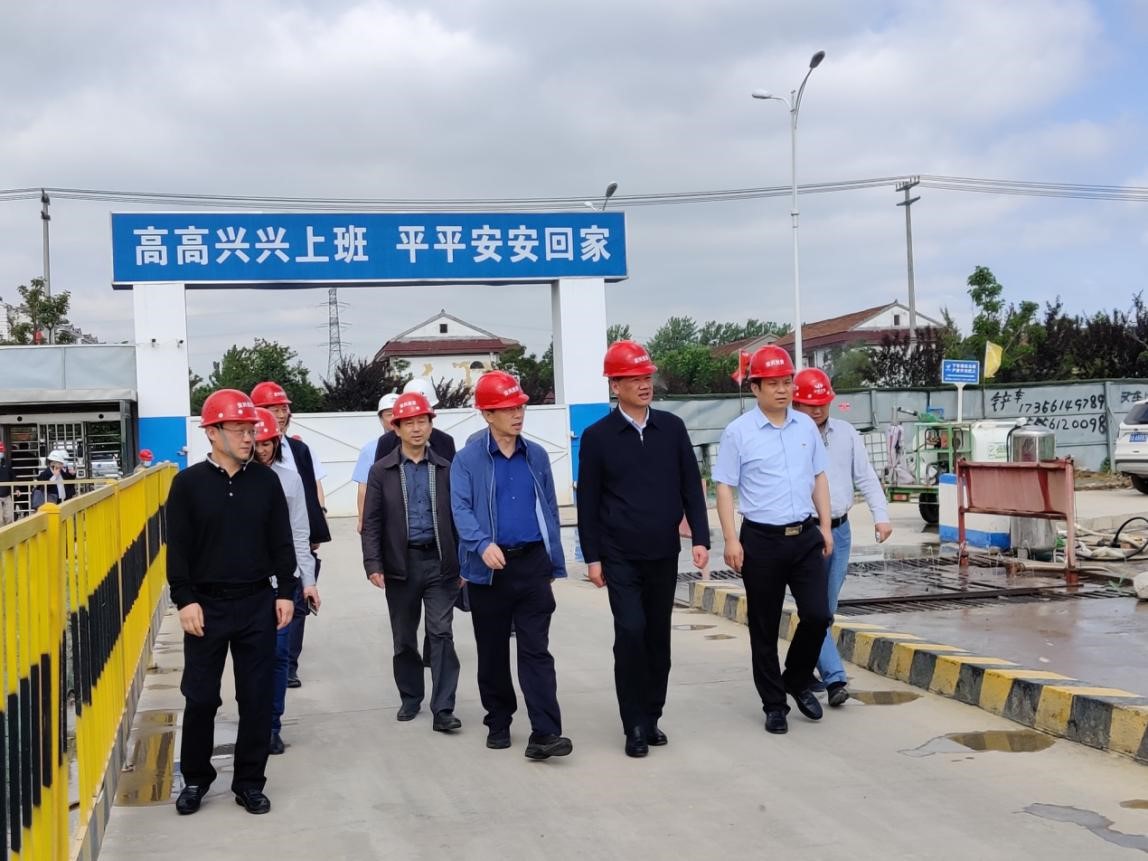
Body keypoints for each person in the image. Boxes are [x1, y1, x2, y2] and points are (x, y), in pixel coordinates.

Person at [165, 389, 296, 816]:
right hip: (206, 606)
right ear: (212, 432)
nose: (248, 437)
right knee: (201, 697)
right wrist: (185, 600)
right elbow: (178, 550)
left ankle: (249, 782)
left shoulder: (266, 482)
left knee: (256, 697)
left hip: (257, 603)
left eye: (251, 429)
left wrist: (285, 592)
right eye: (239, 429)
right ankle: (196, 779)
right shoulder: (188, 485)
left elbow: (282, 542)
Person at [576, 340, 710, 757]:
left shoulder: (671, 428)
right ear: (615, 386)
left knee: (657, 637)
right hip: (619, 554)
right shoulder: (597, 437)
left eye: (647, 377)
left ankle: (652, 716)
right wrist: (592, 557)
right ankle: (632, 723)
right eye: (634, 379)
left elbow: (691, 486)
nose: (644, 384)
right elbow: (588, 502)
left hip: (663, 551)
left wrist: (701, 538)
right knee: (630, 631)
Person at [712, 346, 834, 736]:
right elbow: (724, 487)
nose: (782, 390)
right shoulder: (738, 432)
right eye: (774, 384)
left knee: (818, 615)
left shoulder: (806, 427)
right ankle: (774, 704)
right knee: (764, 627)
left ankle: (796, 677)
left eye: (787, 382)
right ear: (755, 388)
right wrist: (730, 538)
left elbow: (819, 477)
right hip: (761, 540)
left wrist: (826, 527)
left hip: (804, 536)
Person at [450, 370, 571, 760]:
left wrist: (551, 560)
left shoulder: (536, 455)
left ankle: (545, 732)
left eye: (520, 407)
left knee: (537, 650)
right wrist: (480, 544)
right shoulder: (467, 460)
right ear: (487, 414)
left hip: (531, 563)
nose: (517, 415)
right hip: (489, 569)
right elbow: (460, 509)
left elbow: (549, 507)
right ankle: (498, 720)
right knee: (492, 650)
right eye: (507, 408)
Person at [361, 392, 462, 732]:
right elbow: (372, 521)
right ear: (397, 428)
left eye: (423, 421)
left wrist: (464, 562)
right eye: (409, 423)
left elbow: (460, 516)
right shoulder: (382, 471)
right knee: (404, 637)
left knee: (441, 632)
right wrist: (373, 563)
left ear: (431, 425)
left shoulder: (446, 468)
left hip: (440, 562)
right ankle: (410, 695)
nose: (417, 429)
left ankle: (443, 708)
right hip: (400, 565)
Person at [792, 368, 892, 707]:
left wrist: (881, 515)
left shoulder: (846, 433)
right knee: (818, 610)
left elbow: (866, 476)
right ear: (796, 403)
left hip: (840, 529)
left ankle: (802, 668)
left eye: (823, 402)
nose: (818, 409)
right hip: (806, 533)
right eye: (810, 404)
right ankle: (835, 678)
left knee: (825, 609)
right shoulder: (789, 436)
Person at [250, 381, 330, 689]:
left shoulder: (299, 451)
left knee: (296, 610)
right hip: (256, 567)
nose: (281, 414)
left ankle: (288, 667)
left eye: (283, 408)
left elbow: (308, 491)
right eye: (273, 409)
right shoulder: (240, 471)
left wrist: (316, 528)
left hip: (294, 549)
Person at [251, 407, 321, 755]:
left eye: (269, 443)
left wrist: (308, 580)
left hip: (283, 582)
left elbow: (300, 534)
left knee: (279, 655)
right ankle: (253, 721)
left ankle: (272, 726)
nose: (263, 449)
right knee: (254, 659)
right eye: (257, 443)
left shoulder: (290, 481)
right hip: (247, 585)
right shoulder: (237, 481)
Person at [373, 378, 458, 464]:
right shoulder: (387, 442)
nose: (416, 428)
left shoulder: (445, 441)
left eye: (422, 418)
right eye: (409, 422)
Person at [354, 392, 400, 534]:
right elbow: (363, 488)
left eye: (397, 413)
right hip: (382, 515)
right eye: (389, 414)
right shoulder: (370, 449)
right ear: (381, 419)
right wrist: (362, 519)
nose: (394, 418)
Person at [0, 442, 14, 525]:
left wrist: (16, 489)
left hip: (7, 494)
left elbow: (12, 476)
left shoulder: (6, 463)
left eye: (1, 451)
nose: (1, 453)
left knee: (9, 517)